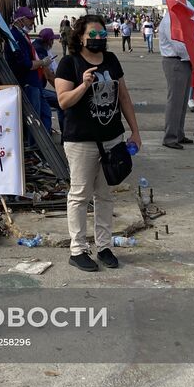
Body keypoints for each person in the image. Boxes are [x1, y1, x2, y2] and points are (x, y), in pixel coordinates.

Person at [55, 14, 142, 272]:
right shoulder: (69, 63)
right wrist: (83, 86)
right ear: (80, 37)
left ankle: (104, 246)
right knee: (80, 195)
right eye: (92, 35)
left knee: (105, 195)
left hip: (112, 139)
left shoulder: (112, 60)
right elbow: (63, 101)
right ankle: (78, 249)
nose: (97, 40)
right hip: (81, 140)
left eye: (102, 36)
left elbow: (124, 97)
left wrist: (135, 131)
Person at [5, 6, 52, 134]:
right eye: (30, 19)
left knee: (44, 115)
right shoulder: (16, 36)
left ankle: (41, 147)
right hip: (28, 83)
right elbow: (26, 64)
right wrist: (42, 62)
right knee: (35, 119)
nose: (32, 22)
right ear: (20, 20)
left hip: (34, 82)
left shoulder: (22, 34)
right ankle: (35, 148)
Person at [159, 12, 194, 150]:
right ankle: (170, 137)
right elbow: (179, 47)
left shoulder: (176, 20)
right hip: (176, 61)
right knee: (175, 101)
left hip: (183, 61)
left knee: (182, 100)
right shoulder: (170, 21)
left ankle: (178, 133)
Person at [34, 27, 63, 134]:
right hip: (36, 88)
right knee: (60, 103)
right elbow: (48, 75)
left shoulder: (37, 46)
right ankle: (63, 135)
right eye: (52, 40)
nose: (53, 42)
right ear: (49, 41)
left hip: (36, 87)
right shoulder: (40, 49)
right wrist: (61, 90)